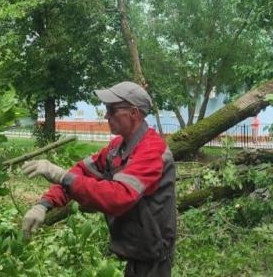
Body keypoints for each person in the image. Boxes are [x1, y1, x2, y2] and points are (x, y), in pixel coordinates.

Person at [21, 81, 176, 277]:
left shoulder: (152, 150)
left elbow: (118, 197)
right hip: (137, 247)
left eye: (112, 110)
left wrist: (60, 175)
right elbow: (80, 173)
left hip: (154, 254)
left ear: (134, 113)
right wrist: (44, 204)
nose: (106, 116)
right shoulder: (116, 147)